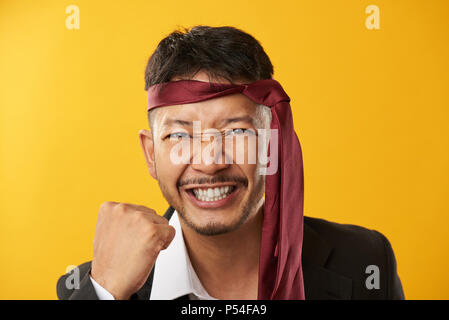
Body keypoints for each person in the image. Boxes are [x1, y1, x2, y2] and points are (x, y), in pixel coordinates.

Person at [57, 25, 404, 300]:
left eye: (236, 131)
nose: (209, 163)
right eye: (180, 136)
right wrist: (103, 293)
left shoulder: (365, 263)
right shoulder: (96, 287)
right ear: (151, 154)